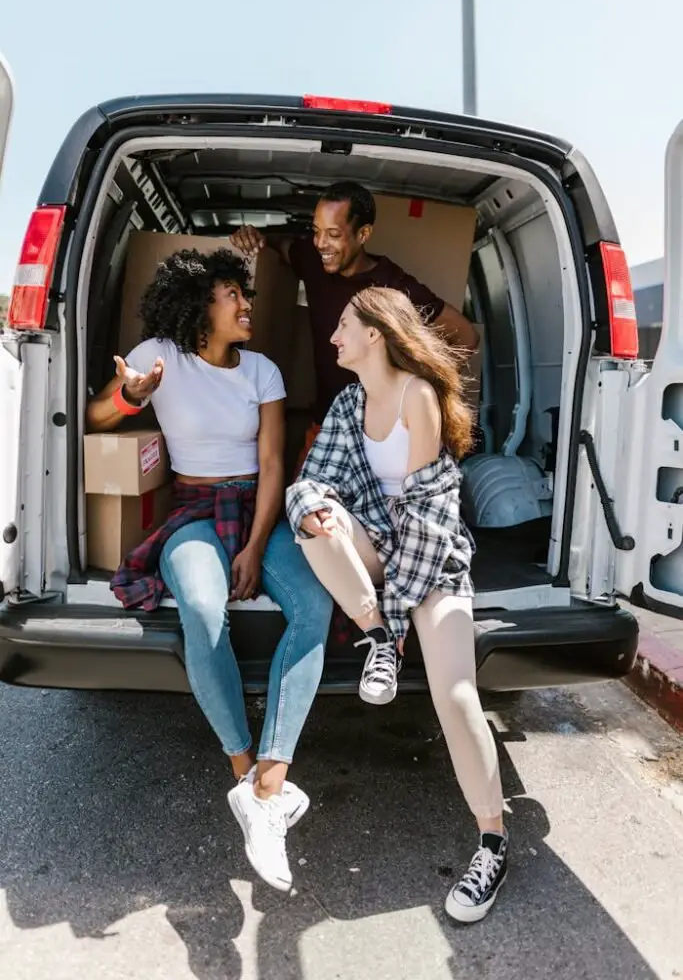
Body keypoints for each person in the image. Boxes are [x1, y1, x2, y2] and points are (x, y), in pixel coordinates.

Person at [86, 248, 334, 894]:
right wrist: (130, 395)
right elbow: (94, 416)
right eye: (234, 296)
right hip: (193, 509)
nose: (247, 305)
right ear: (201, 307)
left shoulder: (262, 370)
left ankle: (271, 783)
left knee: (313, 604)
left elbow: (274, 463)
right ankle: (244, 774)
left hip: (258, 508)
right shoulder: (158, 355)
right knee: (200, 606)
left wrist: (255, 547)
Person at [285, 286, 507, 923]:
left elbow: (430, 517)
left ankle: (492, 841)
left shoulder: (419, 396)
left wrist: (407, 599)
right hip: (375, 552)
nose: (333, 339)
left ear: (376, 333)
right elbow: (312, 477)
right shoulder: (347, 402)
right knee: (312, 517)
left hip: (432, 558)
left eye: (343, 327)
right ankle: (376, 639)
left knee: (456, 695)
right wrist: (323, 510)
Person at [231, 181, 479, 470]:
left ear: (363, 234)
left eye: (333, 234)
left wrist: (416, 384)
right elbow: (280, 245)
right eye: (316, 231)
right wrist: (252, 236)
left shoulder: (394, 286)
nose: (321, 243)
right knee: (301, 504)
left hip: (375, 434)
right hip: (324, 424)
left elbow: (466, 335)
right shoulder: (312, 260)